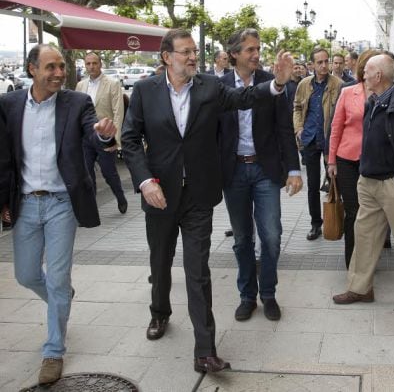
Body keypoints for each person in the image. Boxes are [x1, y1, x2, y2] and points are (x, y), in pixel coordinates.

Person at [121, 28, 292, 374]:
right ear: (167, 57)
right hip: (160, 194)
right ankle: (160, 313)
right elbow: (130, 139)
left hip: (198, 194)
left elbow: (244, 99)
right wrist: (144, 181)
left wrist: (276, 84)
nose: (192, 57)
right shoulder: (144, 91)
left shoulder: (210, 88)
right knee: (160, 261)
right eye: (185, 52)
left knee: (198, 270)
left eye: (194, 51)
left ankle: (205, 351)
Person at [0, 44, 117, 385]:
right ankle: (61, 294)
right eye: (50, 67)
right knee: (25, 275)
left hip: (62, 202)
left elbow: (92, 134)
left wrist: (104, 136)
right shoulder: (9, 105)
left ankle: (53, 350)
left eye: (61, 67)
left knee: (57, 275)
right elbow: (4, 157)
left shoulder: (77, 103)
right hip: (24, 203)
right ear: (32, 69)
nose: (58, 73)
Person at [332, 53, 394, 307]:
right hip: (368, 181)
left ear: (378, 76)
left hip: (392, 184)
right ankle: (360, 288)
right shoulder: (373, 101)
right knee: (364, 236)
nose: (362, 72)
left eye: (367, 70)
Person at [218, 28, 302, 322]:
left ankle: (268, 293)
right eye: (250, 50)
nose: (256, 55)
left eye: (258, 49)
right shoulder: (220, 85)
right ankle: (246, 296)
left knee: (272, 236)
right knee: (242, 239)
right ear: (234, 55)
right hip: (234, 171)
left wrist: (294, 169)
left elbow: (283, 128)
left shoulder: (272, 83)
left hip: (265, 171)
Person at [327, 50, 378, 267]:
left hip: (376, 162)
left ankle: (368, 261)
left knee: (372, 215)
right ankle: (353, 262)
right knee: (353, 211)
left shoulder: (386, 94)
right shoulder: (348, 92)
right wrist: (331, 161)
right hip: (347, 160)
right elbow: (336, 128)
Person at [293, 47, 343, 240]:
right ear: (312, 65)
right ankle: (316, 224)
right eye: (319, 62)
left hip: (331, 141)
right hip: (311, 140)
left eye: (326, 61)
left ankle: (338, 219)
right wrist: (298, 128)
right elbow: (297, 107)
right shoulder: (304, 84)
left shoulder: (339, 85)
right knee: (313, 185)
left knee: (336, 182)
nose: (324, 65)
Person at [76, 52, 128, 214]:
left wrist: (116, 140)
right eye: (88, 64)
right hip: (86, 137)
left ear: (100, 64)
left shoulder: (112, 84)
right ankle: (92, 207)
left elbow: (118, 113)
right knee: (87, 173)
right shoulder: (80, 86)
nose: (91, 67)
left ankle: (120, 197)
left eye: (94, 63)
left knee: (108, 172)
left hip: (106, 136)